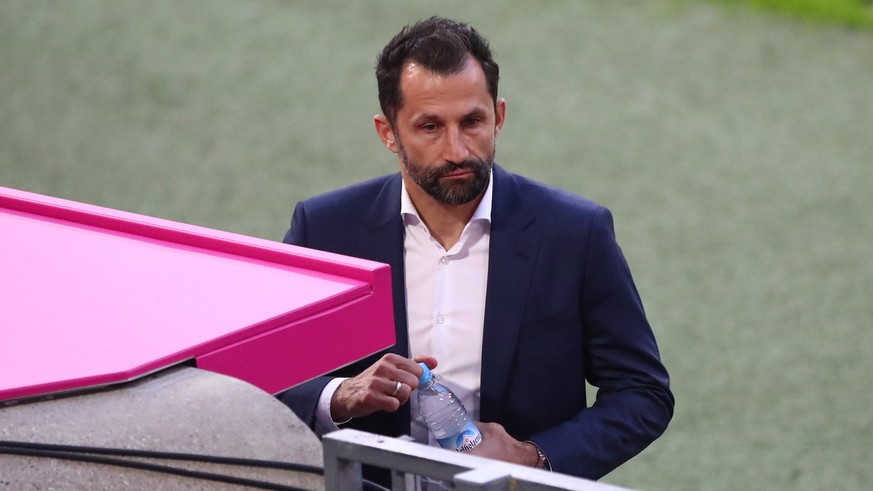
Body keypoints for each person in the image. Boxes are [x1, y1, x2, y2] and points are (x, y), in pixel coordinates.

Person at [278, 16, 673, 482]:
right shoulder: (325, 230)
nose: (457, 150)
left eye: (472, 122)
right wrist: (339, 396)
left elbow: (642, 391)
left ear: (498, 117)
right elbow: (266, 379)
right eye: (430, 127)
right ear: (388, 133)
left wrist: (533, 457)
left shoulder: (575, 233)